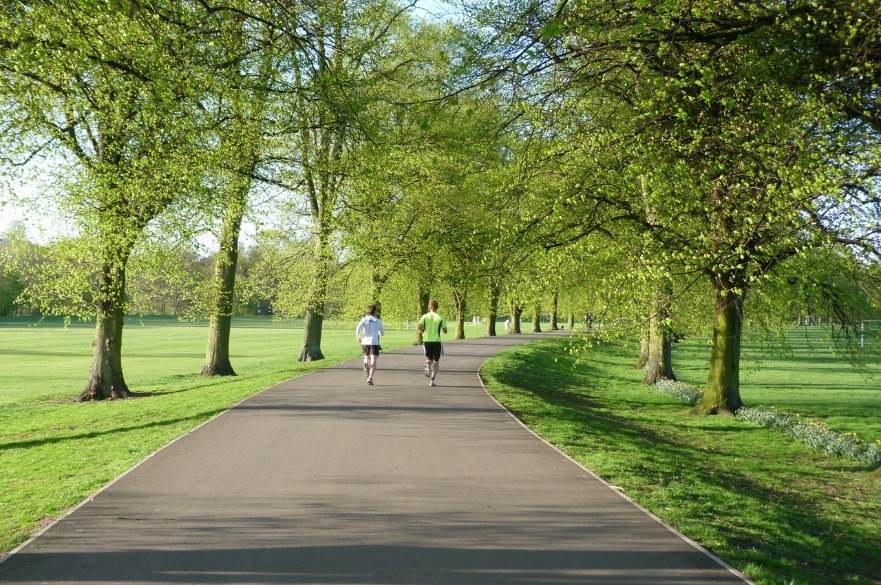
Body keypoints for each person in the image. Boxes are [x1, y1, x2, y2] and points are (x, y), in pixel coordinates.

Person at [417, 299, 447, 387]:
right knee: (436, 362)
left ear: (429, 306)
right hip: (436, 341)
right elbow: (445, 331)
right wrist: (443, 328)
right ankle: (432, 380)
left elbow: (419, 327)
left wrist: (422, 332)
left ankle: (427, 364)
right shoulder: (440, 317)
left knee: (430, 359)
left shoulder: (424, 316)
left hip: (426, 341)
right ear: (437, 307)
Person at [356, 305, 384, 385]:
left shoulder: (364, 319)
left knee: (366, 357)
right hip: (374, 342)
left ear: (368, 311)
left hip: (365, 342)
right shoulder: (378, 321)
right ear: (375, 312)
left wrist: (358, 337)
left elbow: (358, 328)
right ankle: (370, 378)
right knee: (373, 361)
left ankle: (365, 363)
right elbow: (382, 333)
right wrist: (378, 331)